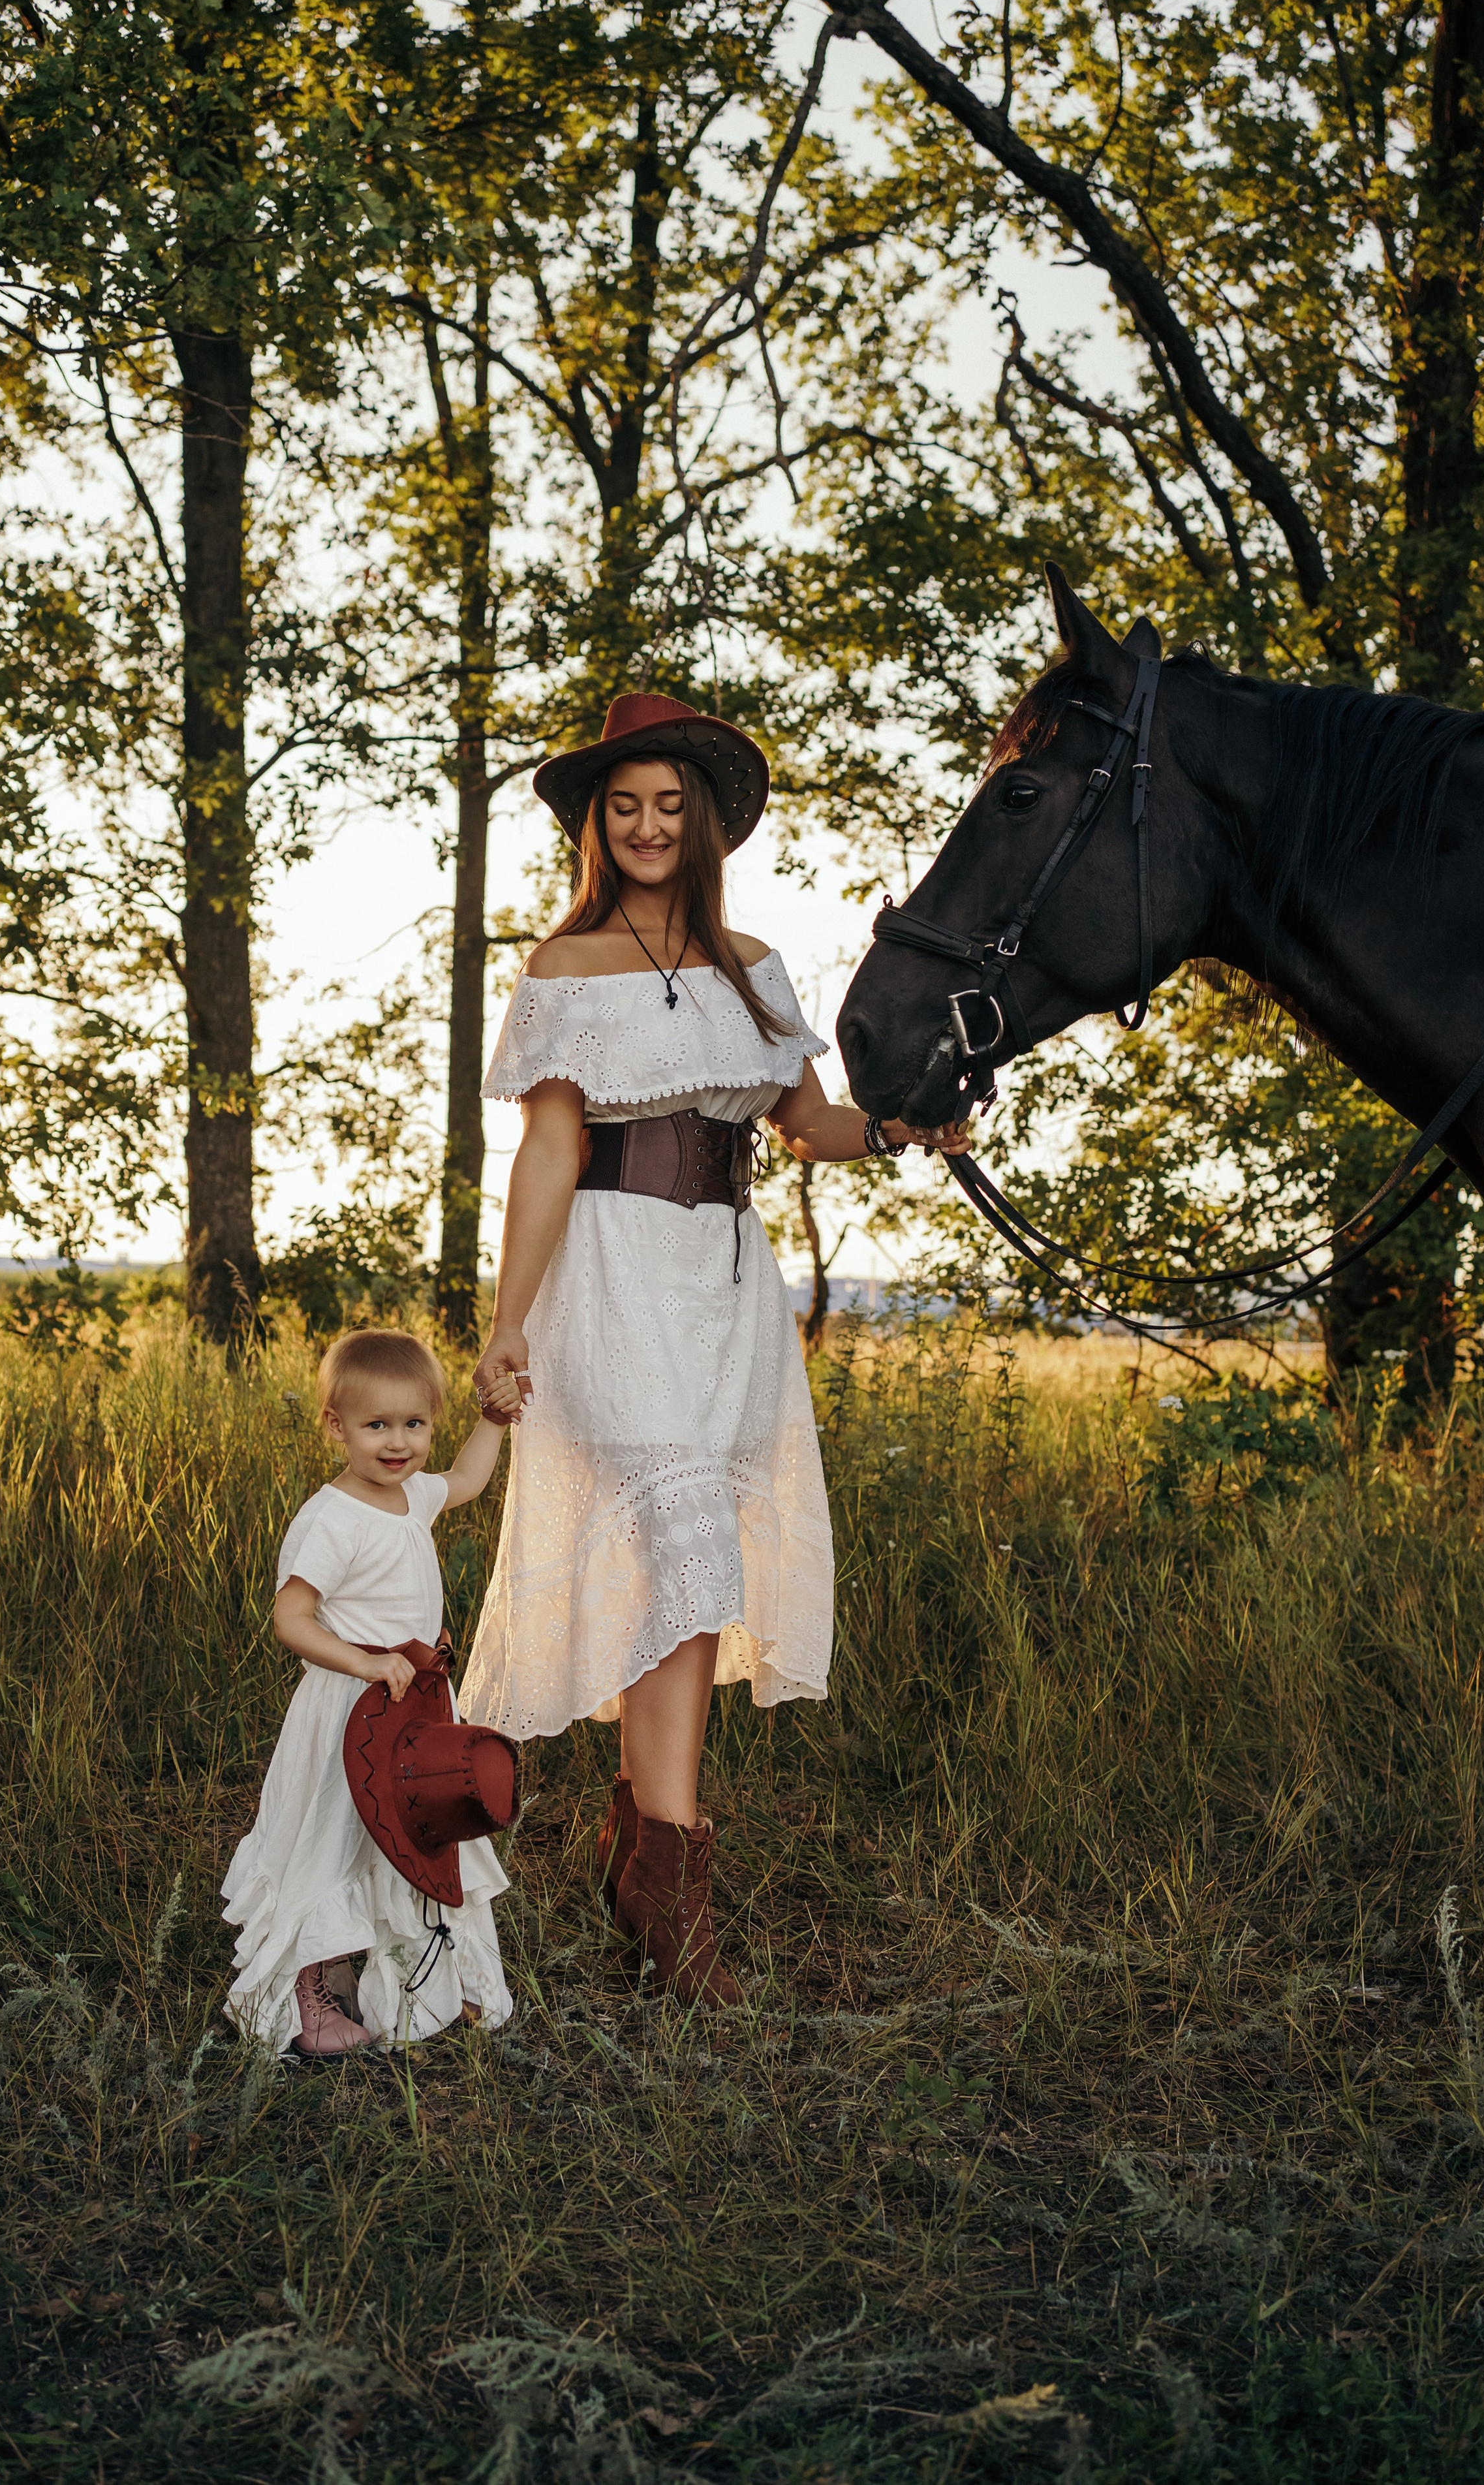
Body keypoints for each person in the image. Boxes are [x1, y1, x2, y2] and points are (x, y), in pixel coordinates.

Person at [461, 693, 967, 2005]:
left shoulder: (752, 964)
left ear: (701, 824)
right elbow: (551, 1153)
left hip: (726, 1285)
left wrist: (914, 1129)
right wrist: (504, 1321)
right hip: (614, 1271)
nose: (641, 824)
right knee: (675, 1548)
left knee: (679, 1557)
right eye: (619, 805)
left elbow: (806, 1125)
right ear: (595, 822)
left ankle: (640, 1847)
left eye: (665, 806)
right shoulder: (563, 970)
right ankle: (670, 1887)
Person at [223, 1328, 525, 2057]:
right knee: (334, 1845)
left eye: (414, 1424)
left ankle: (421, 1985)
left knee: (414, 1837)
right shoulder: (332, 1518)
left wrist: (493, 1419)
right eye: (377, 1425)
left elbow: (468, 1481)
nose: (398, 1443)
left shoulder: (412, 1497)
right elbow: (290, 1619)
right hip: (348, 1714)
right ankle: (305, 1996)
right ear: (336, 1425)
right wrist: (363, 1663)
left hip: (413, 1711)